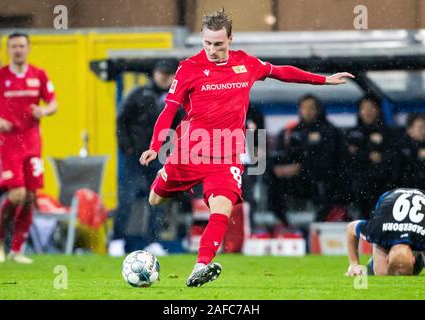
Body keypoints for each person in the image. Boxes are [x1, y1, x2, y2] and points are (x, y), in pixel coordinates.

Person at [140, 10, 354, 287]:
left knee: (222, 210)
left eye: (219, 44)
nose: (212, 50)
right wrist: (156, 146)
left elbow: (281, 72)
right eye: (207, 43)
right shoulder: (188, 68)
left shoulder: (245, 63)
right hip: (189, 151)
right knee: (155, 199)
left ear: (230, 38)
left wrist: (323, 79)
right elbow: (169, 111)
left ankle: (200, 265)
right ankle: (166, 181)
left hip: (227, 155)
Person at [0, 33, 57, 264]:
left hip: (32, 143)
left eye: (21, 46)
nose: (18, 50)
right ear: (8, 50)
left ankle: (17, 249)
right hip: (8, 144)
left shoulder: (39, 75)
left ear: (28, 48)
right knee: (16, 194)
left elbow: (53, 103)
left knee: (29, 196)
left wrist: (44, 111)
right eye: (14, 46)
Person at [112, 60, 178, 256]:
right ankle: (117, 239)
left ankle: (153, 241)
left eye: (168, 73)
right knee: (126, 199)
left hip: (159, 157)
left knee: (158, 200)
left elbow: (183, 125)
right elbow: (121, 121)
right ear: (154, 73)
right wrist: (128, 148)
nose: (164, 77)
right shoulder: (138, 94)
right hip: (135, 157)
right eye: (161, 72)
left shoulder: (177, 99)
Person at [268, 94, 342, 224]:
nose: (307, 112)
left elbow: (328, 159)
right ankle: (281, 221)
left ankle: (321, 221)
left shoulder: (329, 131)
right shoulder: (291, 131)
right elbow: (284, 154)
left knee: (325, 182)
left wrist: (301, 166)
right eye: (304, 108)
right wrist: (282, 168)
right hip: (296, 179)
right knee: (269, 173)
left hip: (320, 178)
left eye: (311, 108)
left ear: (318, 110)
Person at [346, 188, 425, 276]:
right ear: (413, 259)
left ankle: (422, 260)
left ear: (388, 258)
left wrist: (354, 263)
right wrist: (354, 265)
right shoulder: (379, 232)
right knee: (381, 272)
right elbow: (350, 228)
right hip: (391, 203)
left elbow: (351, 227)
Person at [342, 94, 394, 218]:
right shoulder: (352, 133)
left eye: (371, 108)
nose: (368, 112)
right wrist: (368, 156)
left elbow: (392, 157)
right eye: (364, 108)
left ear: (378, 110)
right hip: (358, 187)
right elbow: (348, 159)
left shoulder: (387, 133)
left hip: (382, 185)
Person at [393, 113, 425, 198]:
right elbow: (398, 175)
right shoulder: (399, 147)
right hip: (405, 195)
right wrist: (416, 156)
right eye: (420, 128)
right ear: (410, 129)